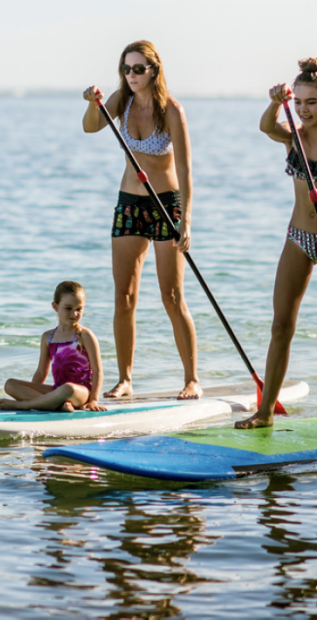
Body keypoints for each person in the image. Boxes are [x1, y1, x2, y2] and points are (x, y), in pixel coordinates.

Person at [236, 58, 317, 443]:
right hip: (296, 237)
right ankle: (264, 413)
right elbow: (265, 126)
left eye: (312, 102)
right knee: (280, 327)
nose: (304, 110)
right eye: (300, 102)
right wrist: (276, 102)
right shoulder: (294, 135)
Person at [82, 40, 201, 401]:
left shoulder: (172, 111)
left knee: (172, 295)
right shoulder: (121, 99)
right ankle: (125, 379)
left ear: (154, 70)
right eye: (126, 69)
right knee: (124, 296)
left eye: (138, 69)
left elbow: (185, 168)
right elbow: (90, 128)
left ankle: (192, 379)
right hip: (130, 205)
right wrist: (93, 104)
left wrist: (187, 221)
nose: (131, 75)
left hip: (167, 205)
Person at [0, 281, 106, 412]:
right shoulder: (48, 337)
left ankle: (24, 405)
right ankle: (56, 404)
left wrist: (93, 400)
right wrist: (28, 390)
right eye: (68, 308)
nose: (74, 313)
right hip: (57, 390)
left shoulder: (84, 335)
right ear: (55, 306)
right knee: (10, 384)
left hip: (80, 392)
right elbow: (41, 372)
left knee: (68, 388)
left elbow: (98, 370)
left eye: (79, 309)